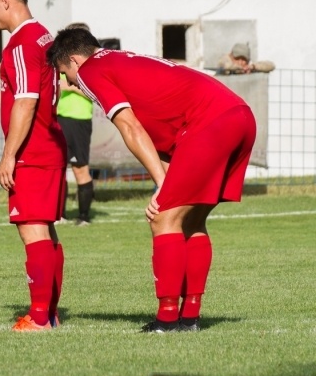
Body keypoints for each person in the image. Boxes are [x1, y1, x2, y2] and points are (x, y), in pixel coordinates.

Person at [48, 27, 256, 333]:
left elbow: (130, 127)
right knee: (191, 221)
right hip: (238, 115)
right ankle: (189, 317)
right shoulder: (119, 59)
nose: (68, 82)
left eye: (64, 73)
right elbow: (159, 133)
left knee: (163, 218)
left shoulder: (90, 70)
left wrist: (162, 185)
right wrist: (165, 178)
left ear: (76, 61)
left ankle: (167, 320)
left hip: (210, 121)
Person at [0, 0, 67, 332]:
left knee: (32, 230)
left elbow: (26, 100)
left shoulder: (21, 43)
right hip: (50, 144)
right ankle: (50, 313)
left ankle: (40, 317)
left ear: (5, 0)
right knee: (46, 231)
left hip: (34, 150)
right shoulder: (43, 35)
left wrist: (9, 154)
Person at [57, 23, 95, 226]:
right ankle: (59, 214)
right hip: (59, 118)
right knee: (58, 168)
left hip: (79, 120)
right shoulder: (63, 62)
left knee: (80, 168)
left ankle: (84, 217)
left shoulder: (91, 65)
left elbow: (95, 94)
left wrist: (71, 88)